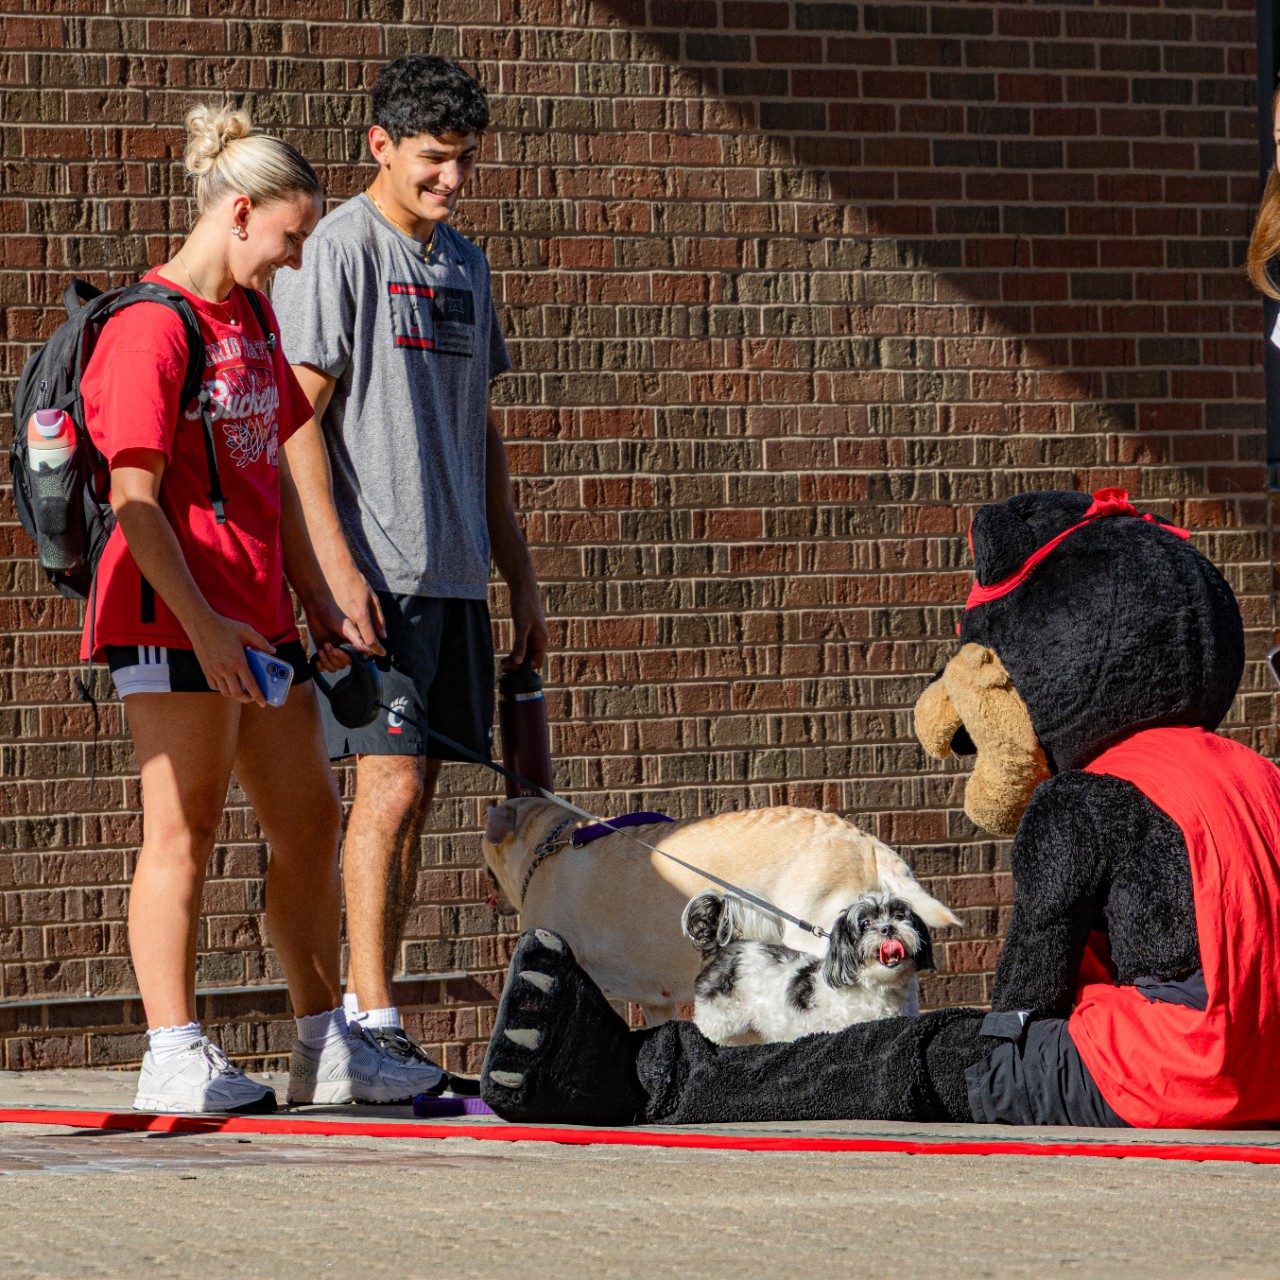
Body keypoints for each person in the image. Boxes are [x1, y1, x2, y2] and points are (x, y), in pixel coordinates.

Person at [84, 103, 451, 1112]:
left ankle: (324, 1041)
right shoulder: (150, 329)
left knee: (306, 822)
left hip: (260, 622)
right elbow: (133, 502)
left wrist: (323, 598)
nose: (292, 261)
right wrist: (208, 628)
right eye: (288, 239)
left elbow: (282, 479)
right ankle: (173, 1044)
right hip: (173, 617)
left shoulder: (246, 318)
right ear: (238, 213)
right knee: (183, 828)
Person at [274, 56, 547, 1072]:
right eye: (434, 159)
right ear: (381, 145)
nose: (452, 180)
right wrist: (334, 572)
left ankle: (365, 1021)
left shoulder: (467, 266)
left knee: (419, 793)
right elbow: (291, 421)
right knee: (384, 788)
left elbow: (480, 432)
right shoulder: (338, 249)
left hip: (453, 578)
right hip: (373, 581)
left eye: (465, 161)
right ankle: (365, 1031)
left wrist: (516, 575)